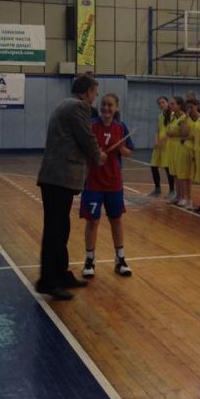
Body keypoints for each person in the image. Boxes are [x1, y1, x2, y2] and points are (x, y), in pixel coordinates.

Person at [36, 74, 105, 300]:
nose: (95, 97)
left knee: (61, 228)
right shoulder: (78, 107)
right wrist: (98, 156)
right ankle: (48, 281)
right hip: (59, 177)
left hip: (56, 177)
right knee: (55, 230)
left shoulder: (65, 104)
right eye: (94, 92)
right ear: (87, 92)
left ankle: (61, 274)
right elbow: (86, 137)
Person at [81, 93, 134, 278]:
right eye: (103, 104)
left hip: (113, 183)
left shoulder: (121, 127)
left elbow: (128, 152)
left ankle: (120, 259)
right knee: (92, 221)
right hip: (93, 182)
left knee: (116, 220)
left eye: (110, 105)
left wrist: (121, 149)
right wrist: (96, 155)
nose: (106, 108)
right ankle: (89, 260)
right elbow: (83, 150)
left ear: (116, 108)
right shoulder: (91, 125)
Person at [149, 96, 174, 198]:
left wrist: (163, 140)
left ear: (167, 103)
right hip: (159, 144)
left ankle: (172, 190)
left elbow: (171, 131)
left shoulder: (172, 115)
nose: (161, 105)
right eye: (159, 103)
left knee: (168, 168)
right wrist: (156, 140)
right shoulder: (160, 116)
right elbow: (158, 130)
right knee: (153, 165)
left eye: (163, 102)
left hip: (167, 143)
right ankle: (157, 188)